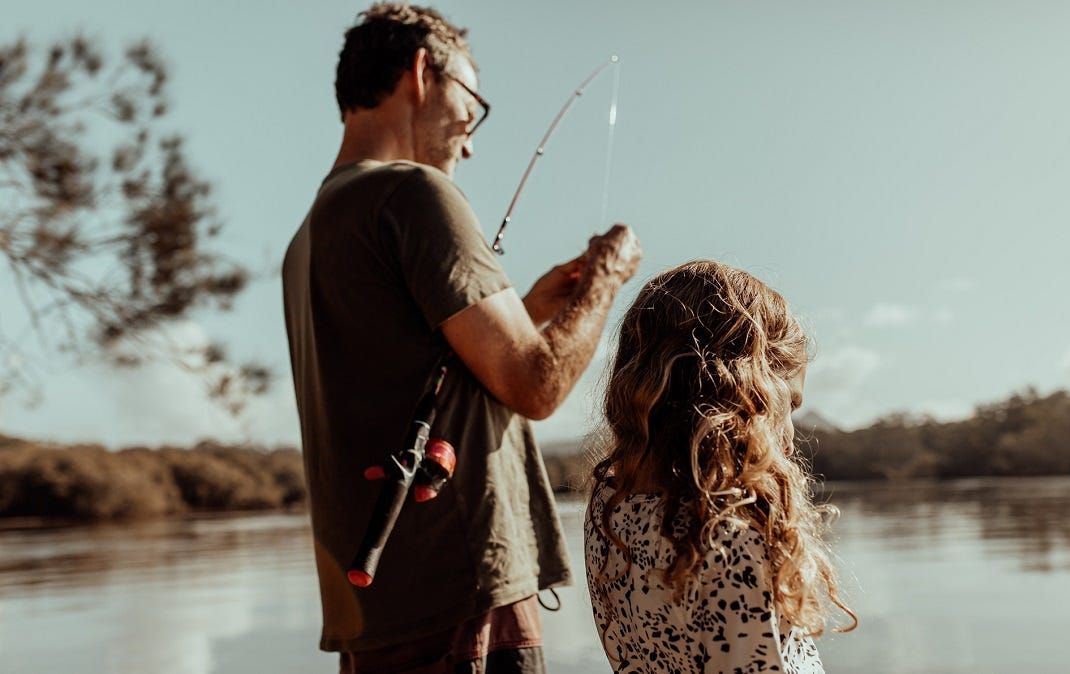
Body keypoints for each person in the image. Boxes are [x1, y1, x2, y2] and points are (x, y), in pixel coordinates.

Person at [281, 4, 641, 672]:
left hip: (376, 614)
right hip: (461, 597)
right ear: (423, 72)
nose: (471, 142)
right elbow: (537, 385)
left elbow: (412, 366)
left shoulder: (309, 235)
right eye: (472, 106)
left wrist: (528, 309)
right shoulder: (414, 193)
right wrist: (607, 281)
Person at [584, 261, 856, 673]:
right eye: (791, 405)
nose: (790, 436)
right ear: (751, 395)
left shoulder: (609, 507)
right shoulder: (732, 535)